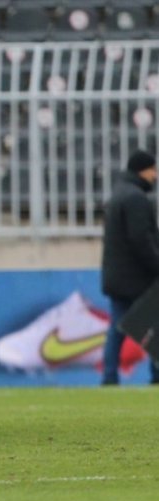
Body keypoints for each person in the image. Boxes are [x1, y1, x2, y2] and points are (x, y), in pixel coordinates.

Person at [101, 149, 159, 385]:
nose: (155, 175)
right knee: (153, 325)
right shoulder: (135, 198)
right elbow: (141, 239)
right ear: (142, 170)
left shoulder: (119, 193)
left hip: (118, 276)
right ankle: (156, 376)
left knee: (118, 327)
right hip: (136, 278)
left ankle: (109, 376)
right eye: (153, 170)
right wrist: (156, 265)